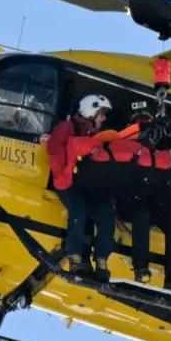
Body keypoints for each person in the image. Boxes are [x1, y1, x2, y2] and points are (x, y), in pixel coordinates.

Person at [44, 94, 116, 281]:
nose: (104, 119)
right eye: (101, 114)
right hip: (68, 182)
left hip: (89, 184)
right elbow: (55, 149)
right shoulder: (68, 128)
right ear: (91, 112)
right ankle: (75, 255)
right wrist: (63, 173)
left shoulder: (100, 136)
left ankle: (101, 259)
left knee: (106, 213)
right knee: (79, 212)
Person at [120, 111, 171, 292]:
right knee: (141, 217)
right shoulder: (124, 147)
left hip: (154, 201)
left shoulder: (162, 154)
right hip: (127, 200)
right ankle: (141, 267)